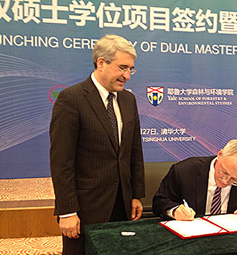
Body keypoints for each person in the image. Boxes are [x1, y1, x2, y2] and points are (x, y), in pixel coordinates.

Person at [49, 34, 145, 254]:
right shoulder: (71, 99)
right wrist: (67, 211)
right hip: (85, 208)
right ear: (101, 62)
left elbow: (134, 151)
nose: (127, 76)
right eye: (122, 68)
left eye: (131, 69)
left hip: (122, 204)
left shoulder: (128, 100)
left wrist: (136, 195)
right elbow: (61, 161)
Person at [153, 139, 237, 221]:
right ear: (219, 154)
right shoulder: (184, 171)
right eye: (224, 172)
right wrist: (175, 211)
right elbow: (159, 202)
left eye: (234, 180)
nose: (225, 181)